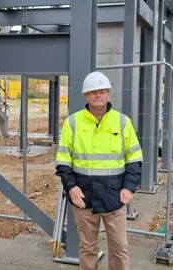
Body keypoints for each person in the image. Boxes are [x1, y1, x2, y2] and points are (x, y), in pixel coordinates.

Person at [55, 71, 143, 270]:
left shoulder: (122, 122)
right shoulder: (73, 122)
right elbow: (63, 160)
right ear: (86, 95)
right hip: (83, 197)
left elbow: (134, 159)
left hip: (115, 197)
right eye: (93, 92)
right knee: (87, 248)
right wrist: (71, 187)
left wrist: (129, 188)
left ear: (108, 94)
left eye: (102, 91)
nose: (98, 95)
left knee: (119, 248)